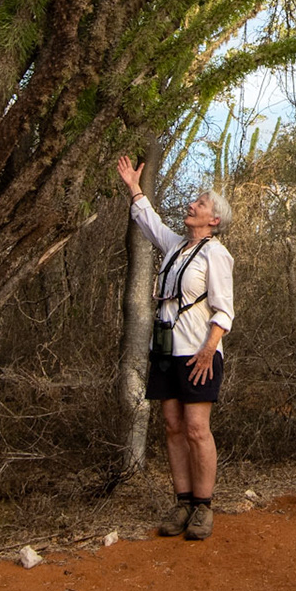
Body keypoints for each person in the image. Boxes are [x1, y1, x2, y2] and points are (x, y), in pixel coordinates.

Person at [115, 155, 235, 541]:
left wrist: (208, 350)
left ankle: (203, 507)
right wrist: (134, 187)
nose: (191, 206)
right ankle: (182, 502)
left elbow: (224, 310)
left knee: (198, 429)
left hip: (198, 354)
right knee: (172, 427)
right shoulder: (175, 247)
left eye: (200, 204)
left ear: (213, 219)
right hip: (166, 351)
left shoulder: (216, 254)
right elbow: (149, 221)